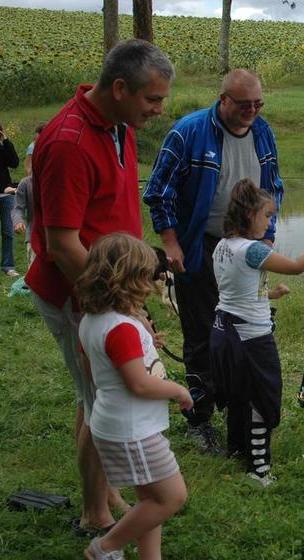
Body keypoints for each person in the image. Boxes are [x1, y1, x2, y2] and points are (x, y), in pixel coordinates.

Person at [25, 39, 174, 537]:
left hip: (109, 289)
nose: (158, 110)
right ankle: (96, 514)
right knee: (103, 399)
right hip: (79, 292)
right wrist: (118, 306)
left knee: (92, 393)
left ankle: (104, 489)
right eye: (152, 99)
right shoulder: (69, 142)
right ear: (120, 88)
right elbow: (63, 245)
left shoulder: (119, 125)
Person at [143, 68, 284, 455]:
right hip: (199, 245)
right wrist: (170, 243)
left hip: (248, 246)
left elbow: (273, 188)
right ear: (223, 99)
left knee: (250, 328)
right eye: (244, 104)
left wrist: (267, 238)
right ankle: (199, 418)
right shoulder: (189, 131)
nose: (252, 111)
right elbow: (159, 192)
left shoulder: (263, 132)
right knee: (203, 332)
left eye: (258, 104)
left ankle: (241, 410)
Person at [210, 179, 304, 486]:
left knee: (239, 396)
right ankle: (259, 470)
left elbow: (235, 290)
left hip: (223, 331)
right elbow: (297, 267)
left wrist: (271, 295)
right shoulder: (253, 250)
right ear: (250, 215)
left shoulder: (222, 245)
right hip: (251, 339)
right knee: (262, 400)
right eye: (267, 216)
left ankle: (237, 451)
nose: (270, 223)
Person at [76, 233, 191, 560]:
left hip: (116, 424)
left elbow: (91, 371)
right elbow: (139, 385)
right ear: (129, 280)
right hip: (133, 431)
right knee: (171, 497)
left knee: (150, 500)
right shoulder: (121, 328)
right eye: (146, 276)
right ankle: (104, 548)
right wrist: (178, 390)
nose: (152, 283)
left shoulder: (91, 321)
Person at [0, 121, 20, 277]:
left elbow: (14, 163)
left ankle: (8, 266)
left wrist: (6, 140)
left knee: (8, 231)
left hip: (7, 195)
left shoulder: (2, 147)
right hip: (4, 190)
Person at [12, 175, 34, 268]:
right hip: (34, 237)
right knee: (35, 273)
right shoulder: (26, 183)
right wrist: (18, 221)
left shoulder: (62, 180)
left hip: (62, 238)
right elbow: (18, 208)